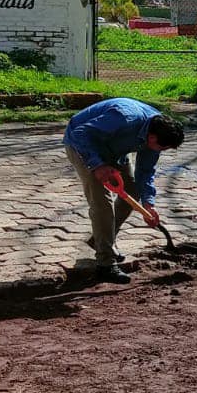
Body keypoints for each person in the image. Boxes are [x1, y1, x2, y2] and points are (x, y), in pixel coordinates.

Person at [63, 97, 185, 283]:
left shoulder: (157, 132)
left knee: (133, 192)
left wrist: (148, 203)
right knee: (102, 204)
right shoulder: (125, 117)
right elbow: (81, 133)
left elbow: (145, 171)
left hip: (114, 149)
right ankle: (105, 264)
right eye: (162, 147)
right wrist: (98, 165)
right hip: (83, 145)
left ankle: (101, 240)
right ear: (151, 137)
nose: (161, 151)